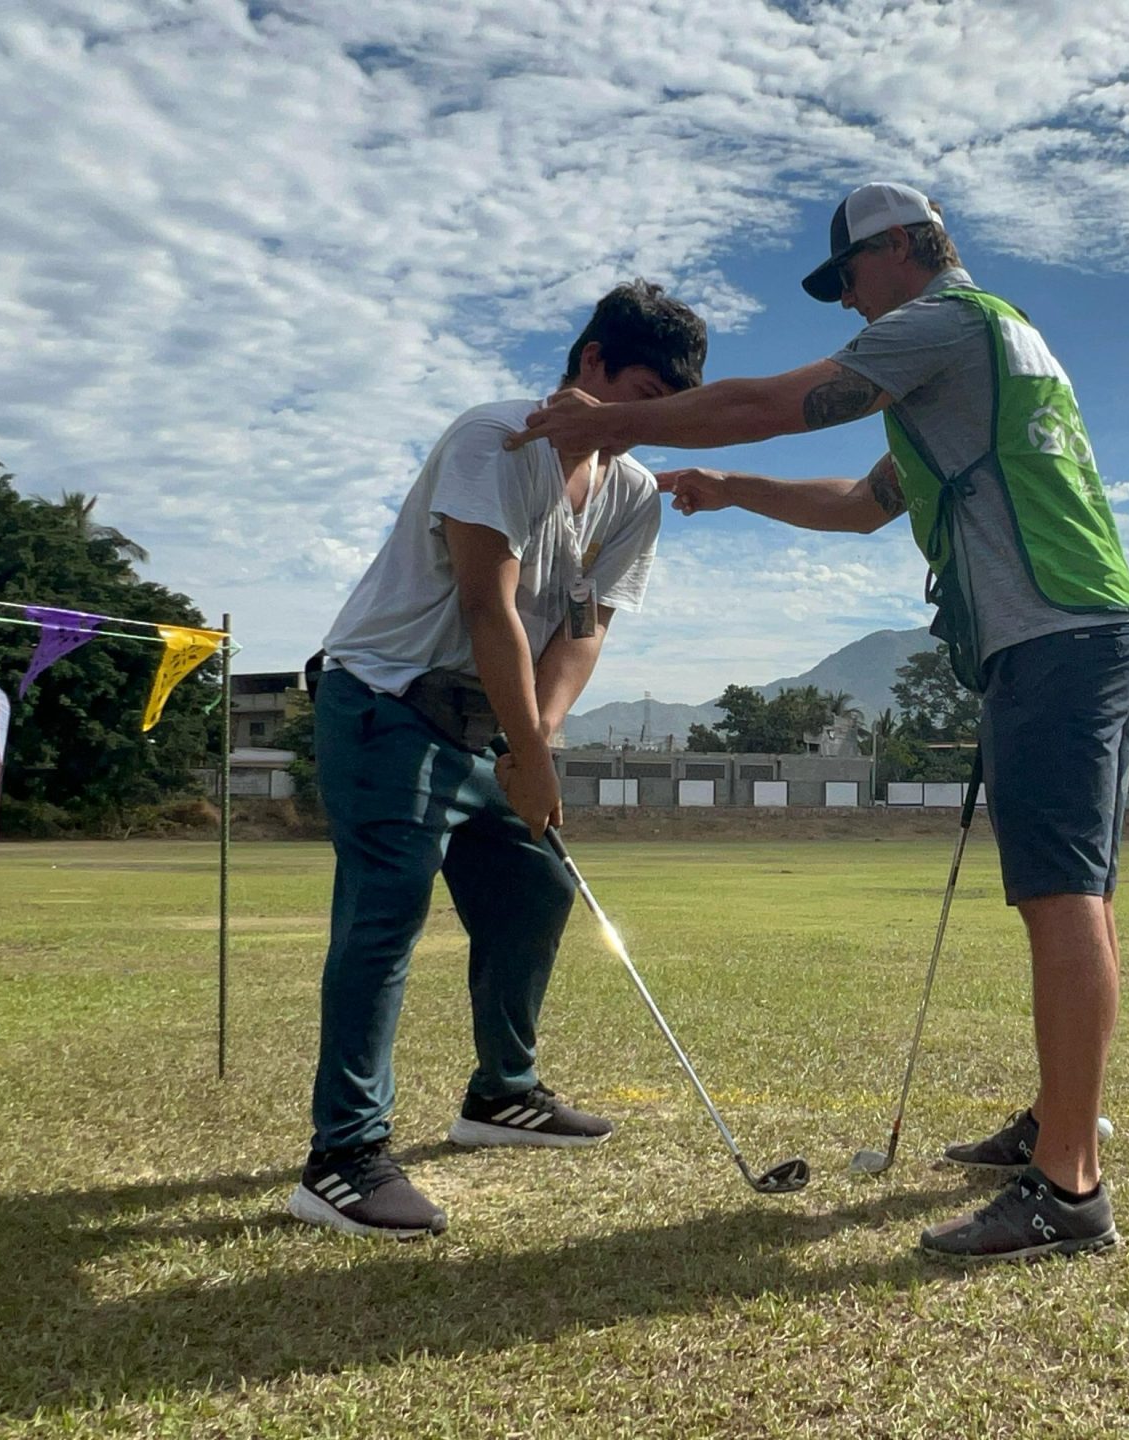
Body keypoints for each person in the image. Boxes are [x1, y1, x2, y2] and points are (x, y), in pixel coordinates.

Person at [508, 183, 1129, 1263]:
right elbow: (863, 503)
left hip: (1052, 634)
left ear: (901, 249)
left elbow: (785, 397)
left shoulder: (943, 322)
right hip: (1078, 630)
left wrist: (610, 423)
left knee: (1060, 898)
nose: (850, 307)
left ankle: (1069, 1190)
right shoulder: (989, 352)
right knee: (1078, 894)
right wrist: (731, 487)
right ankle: (1062, 1122)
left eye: (849, 279)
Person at [289, 280, 707, 1239]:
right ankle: (342, 1159)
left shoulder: (633, 492)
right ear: (591, 361)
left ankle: (500, 1095)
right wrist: (531, 751)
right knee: (387, 913)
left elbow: (585, 624)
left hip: (490, 724)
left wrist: (536, 744)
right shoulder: (494, 440)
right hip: (386, 702)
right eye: (635, 389)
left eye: (663, 406)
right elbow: (489, 607)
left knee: (534, 889)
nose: (643, 422)